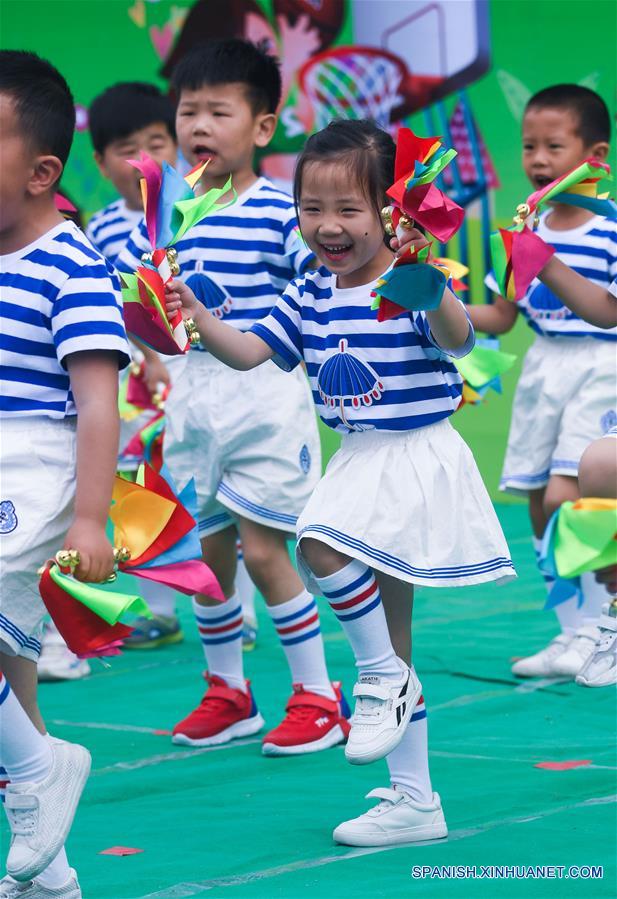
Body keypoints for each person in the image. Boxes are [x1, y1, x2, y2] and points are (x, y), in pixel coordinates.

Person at [164, 118, 515, 846]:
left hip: (414, 455)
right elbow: (249, 351)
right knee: (390, 638)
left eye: (347, 209)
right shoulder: (310, 294)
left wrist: (429, 283)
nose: (326, 226)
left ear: (390, 210)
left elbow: (458, 338)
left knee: (318, 546)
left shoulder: (409, 281)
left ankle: (378, 679)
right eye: (311, 209)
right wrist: (197, 319)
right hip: (359, 457)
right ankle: (415, 798)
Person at [119, 39, 349, 756]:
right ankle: (229, 691)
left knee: (263, 547)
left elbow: (315, 291)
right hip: (195, 399)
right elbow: (157, 306)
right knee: (208, 554)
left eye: (220, 111)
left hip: (265, 396)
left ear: (261, 126)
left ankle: (317, 694)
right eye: (189, 111)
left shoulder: (284, 210)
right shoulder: (169, 211)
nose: (199, 127)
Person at [0, 51, 130, 897]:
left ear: (43, 170)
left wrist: (89, 518)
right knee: (10, 666)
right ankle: (50, 868)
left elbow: (96, 403)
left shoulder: (70, 264)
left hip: (35, 463)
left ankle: (41, 769)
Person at [467, 85, 616, 679]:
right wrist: (431, 303)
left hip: (602, 367)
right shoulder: (521, 230)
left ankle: (606, 624)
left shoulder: (609, 231)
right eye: (529, 146)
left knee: (568, 495)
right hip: (542, 369)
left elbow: (608, 312)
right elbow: (502, 315)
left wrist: (544, 259)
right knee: (537, 504)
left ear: (595, 157)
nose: (537, 159)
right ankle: (573, 632)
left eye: (555, 146)